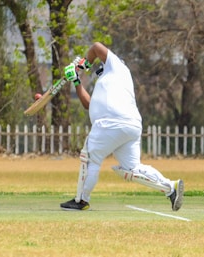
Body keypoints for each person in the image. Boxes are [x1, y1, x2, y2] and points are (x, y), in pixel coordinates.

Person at [59, 42, 184, 211]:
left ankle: (81, 200)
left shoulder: (118, 67)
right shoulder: (107, 84)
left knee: (90, 158)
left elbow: (96, 47)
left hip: (111, 123)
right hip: (130, 126)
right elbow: (89, 105)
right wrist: (76, 80)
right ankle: (170, 187)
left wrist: (81, 66)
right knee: (132, 169)